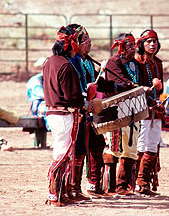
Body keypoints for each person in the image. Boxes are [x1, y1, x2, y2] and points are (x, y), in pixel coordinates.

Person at [43, 26, 99, 206]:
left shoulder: (50, 62)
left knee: (63, 153)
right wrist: (87, 103)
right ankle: (55, 195)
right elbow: (72, 98)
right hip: (64, 114)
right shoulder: (66, 66)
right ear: (71, 44)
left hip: (54, 113)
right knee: (63, 154)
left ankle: (62, 193)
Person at [65, 24, 118, 199]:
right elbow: (83, 87)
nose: (89, 43)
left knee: (97, 147)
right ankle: (74, 188)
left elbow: (98, 83)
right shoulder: (73, 61)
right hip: (79, 110)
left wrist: (118, 86)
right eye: (85, 40)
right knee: (79, 150)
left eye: (90, 40)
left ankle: (94, 185)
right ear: (76, 43)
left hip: (91, 112)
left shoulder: (87, 61)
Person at [102, 32, 142, 195]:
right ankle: (110, 188)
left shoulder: (136, 64)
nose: (133, 48)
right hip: (116, 109)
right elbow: (119, 83)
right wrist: (133, 86)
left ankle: (122, 186)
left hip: (133, 109)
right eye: (129, 45)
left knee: (130, 148)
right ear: (121, 47)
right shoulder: (114, 62)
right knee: (114, 147)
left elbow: (140, 83)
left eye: (134, 45)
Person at [135, 29, 164, 195]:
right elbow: (135, 86)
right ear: (142, 44)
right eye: (148, 42)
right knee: (141, 143)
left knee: (153, 144)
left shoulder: (158, 63)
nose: (152, 44)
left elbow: (160, 89)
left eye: (155, 42)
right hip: (142, 109)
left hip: (156, 109)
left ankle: (145, 182)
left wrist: (159, 96)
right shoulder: (137, 62)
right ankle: (136, 182)